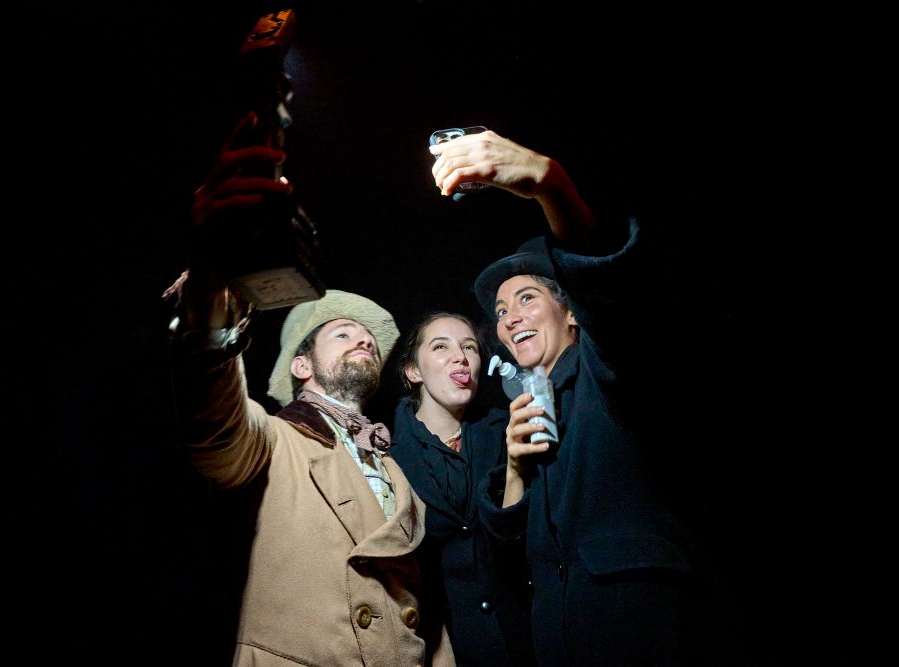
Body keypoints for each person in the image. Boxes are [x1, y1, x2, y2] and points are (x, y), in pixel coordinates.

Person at [429, 130, 745, 665]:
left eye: (527, 297)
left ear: (571, 312)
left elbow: (615, 296)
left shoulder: (610, 369)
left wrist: (552, 186)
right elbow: (509, 548)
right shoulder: (525, 405)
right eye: (502, 312)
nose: (510, 320)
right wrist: (513, 471)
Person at [165, 111, 455, 666]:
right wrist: (212, 294)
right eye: (343, 333)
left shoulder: (395, 467)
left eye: (369, 337)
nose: (363, 341)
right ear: (301, 365)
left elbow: (425, 612)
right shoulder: (271, 441)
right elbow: (212, 420)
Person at [389, 312, 536, 667]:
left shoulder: (510, 429)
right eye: (441, 347)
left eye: (469, 347)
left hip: (525, 636)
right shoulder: (388, 458)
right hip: (446, 649)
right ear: (413, 371)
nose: (461, 356)